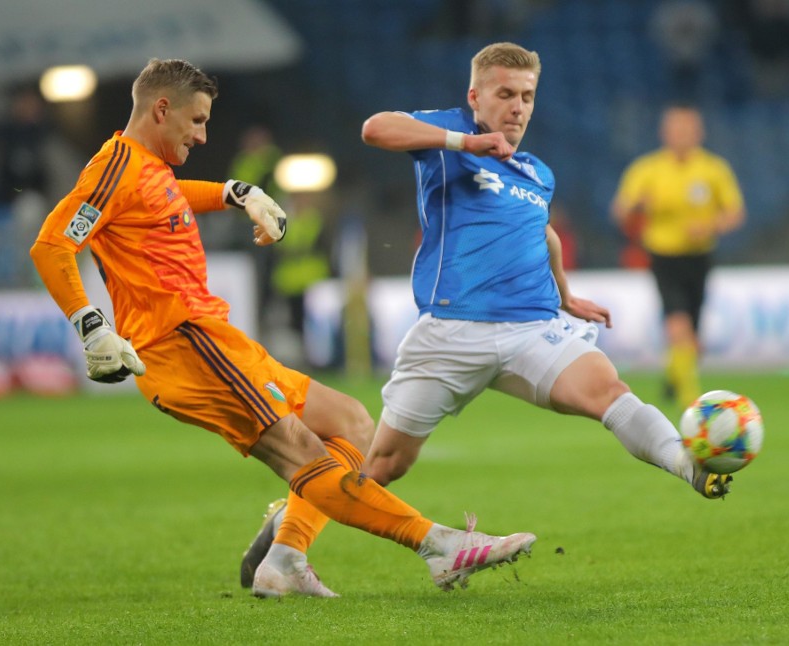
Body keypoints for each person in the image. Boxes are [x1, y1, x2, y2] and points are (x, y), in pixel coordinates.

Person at [28, 58, 536, 599]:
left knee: (353, 424)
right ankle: (439, 547)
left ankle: (286, 555)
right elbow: (52, 244)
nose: (202, 135)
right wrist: (92, 327)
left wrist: (234, 192)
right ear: (161, 109)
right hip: (181, 345)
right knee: (304, 455)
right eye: (196, 121)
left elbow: (170, 199)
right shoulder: (114, 168)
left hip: (213, 339)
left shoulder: (148, 170)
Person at [241, 42, 735, 595]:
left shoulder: (535, 171)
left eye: (527, 97)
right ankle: (284, 550)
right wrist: (464, 140)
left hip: (530, 327)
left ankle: (688, 464)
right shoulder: (449, 135)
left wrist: (566, 294)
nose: (518, 107)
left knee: (607, 389)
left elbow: (541, 232)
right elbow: (375, 128)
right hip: (451, 331)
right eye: (505, 94)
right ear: (475, 96)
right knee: (381, 464)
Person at [611, 105, 745, 409]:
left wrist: (711, 225)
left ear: (699, 133)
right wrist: (637, 207)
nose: (682, 135)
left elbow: (735, 213)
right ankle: (691, 401)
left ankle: (674, 377)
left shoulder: (714, 169)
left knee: (692, 339)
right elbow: (620, 212)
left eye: (688, 129)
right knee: (677, 323)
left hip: (700, 257)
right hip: (663, 256)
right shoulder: (647, 169)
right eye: (676, 129)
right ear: (665, 133)